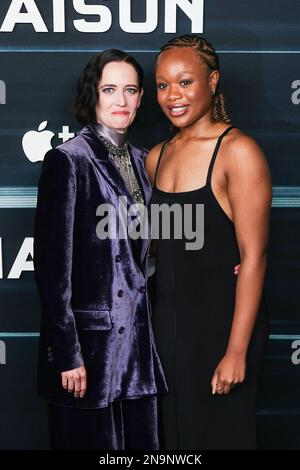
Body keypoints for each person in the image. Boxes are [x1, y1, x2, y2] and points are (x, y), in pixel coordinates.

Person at [34, 49, 167, 450]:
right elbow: (53, 268)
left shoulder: (147, 161)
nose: (121, 101)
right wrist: (68, 353)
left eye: (130, 90)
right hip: (90, 353)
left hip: (140, 353)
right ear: (93, 94)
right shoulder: (68, 160)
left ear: (142, 97)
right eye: (110, 89)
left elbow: (156, 251)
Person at [146, 35, 272, 450]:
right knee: (170, 438)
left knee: (219, 435)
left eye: (185, 82)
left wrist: (236, 351)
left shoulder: (239, 151)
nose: (172, 96)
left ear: (213, 81)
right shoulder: (156, 156)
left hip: (222, 325)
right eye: (163, 85)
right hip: (167, 326)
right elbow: (162, 247)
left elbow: (253, 259)